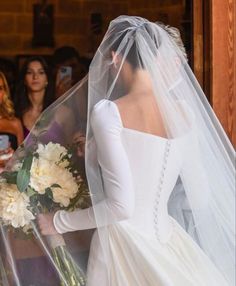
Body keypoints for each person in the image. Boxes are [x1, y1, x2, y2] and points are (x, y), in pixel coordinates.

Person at [1, 16, 235, 285]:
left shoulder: (110, 112)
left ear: (115, 57)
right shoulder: (184, 112)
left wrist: (58, 221)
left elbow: (121, 206)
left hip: (122, 245)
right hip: (170, 241)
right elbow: (201, 194)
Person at [14, 56, 54, 138]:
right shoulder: (15, 112)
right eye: (29, 72)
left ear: (47, 80)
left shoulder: (61, 111)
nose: (35, 77)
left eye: (41, 72)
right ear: (24, 79)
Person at [0, 71, 23, 171]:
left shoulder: (15, 123)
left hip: (8, 182)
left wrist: (13, 158)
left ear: (4, 92)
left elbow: (23, 160)